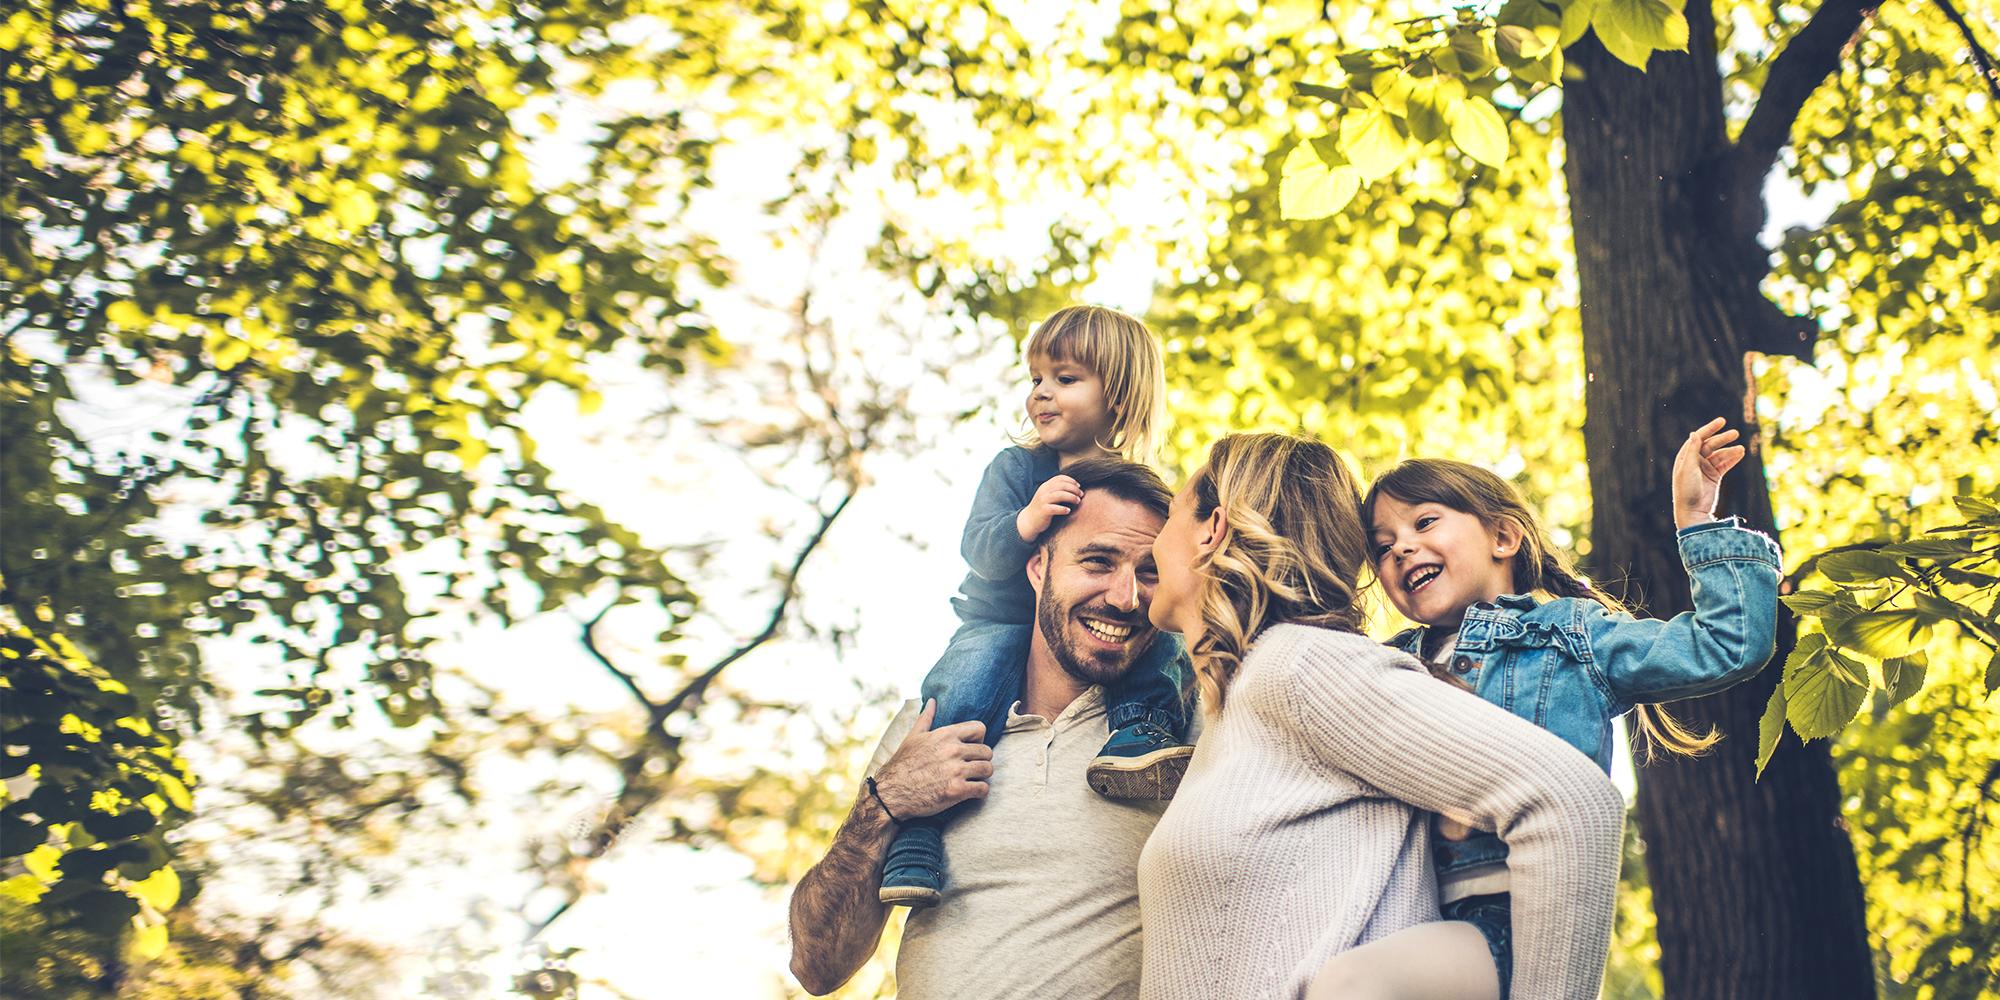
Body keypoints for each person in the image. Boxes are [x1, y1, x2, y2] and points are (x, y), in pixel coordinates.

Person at [1137, 433, 1626, 1000]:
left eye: (1169, 514)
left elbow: (1572, 801)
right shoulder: (1237, 703)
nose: (1153, 545)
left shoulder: (1301, 667)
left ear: (1213, 529)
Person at [1308, 418, 1781, 1000]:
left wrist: (1695, 521)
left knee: (1350, 985)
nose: (1401, 546)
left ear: (1503, 538)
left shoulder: (1568, 634)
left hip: (1517, 922)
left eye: (1425, 521)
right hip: (1409, 912)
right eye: (1382, 548)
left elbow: (1727, 643)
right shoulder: (1387, 664)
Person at [790, 459, 1187, 999]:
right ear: (1038, 568)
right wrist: (884, 805)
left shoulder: (1183, 730)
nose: (1125, 597)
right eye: (1097, 561)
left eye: (1149, 571)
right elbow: (818, 964)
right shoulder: (932, 724)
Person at [878, 305, 1194, 909]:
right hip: (1001, 621)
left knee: (1166, 645)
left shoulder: (1142, 490)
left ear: (1121, 397)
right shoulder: (1018, 469)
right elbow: (978, 549)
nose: (1041, 394)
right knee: (963, 689)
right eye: (1036, 380)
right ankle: (918, 835)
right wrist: (1027, 521)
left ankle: (1140, 733)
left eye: (1065, 379)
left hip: (1094, 632)